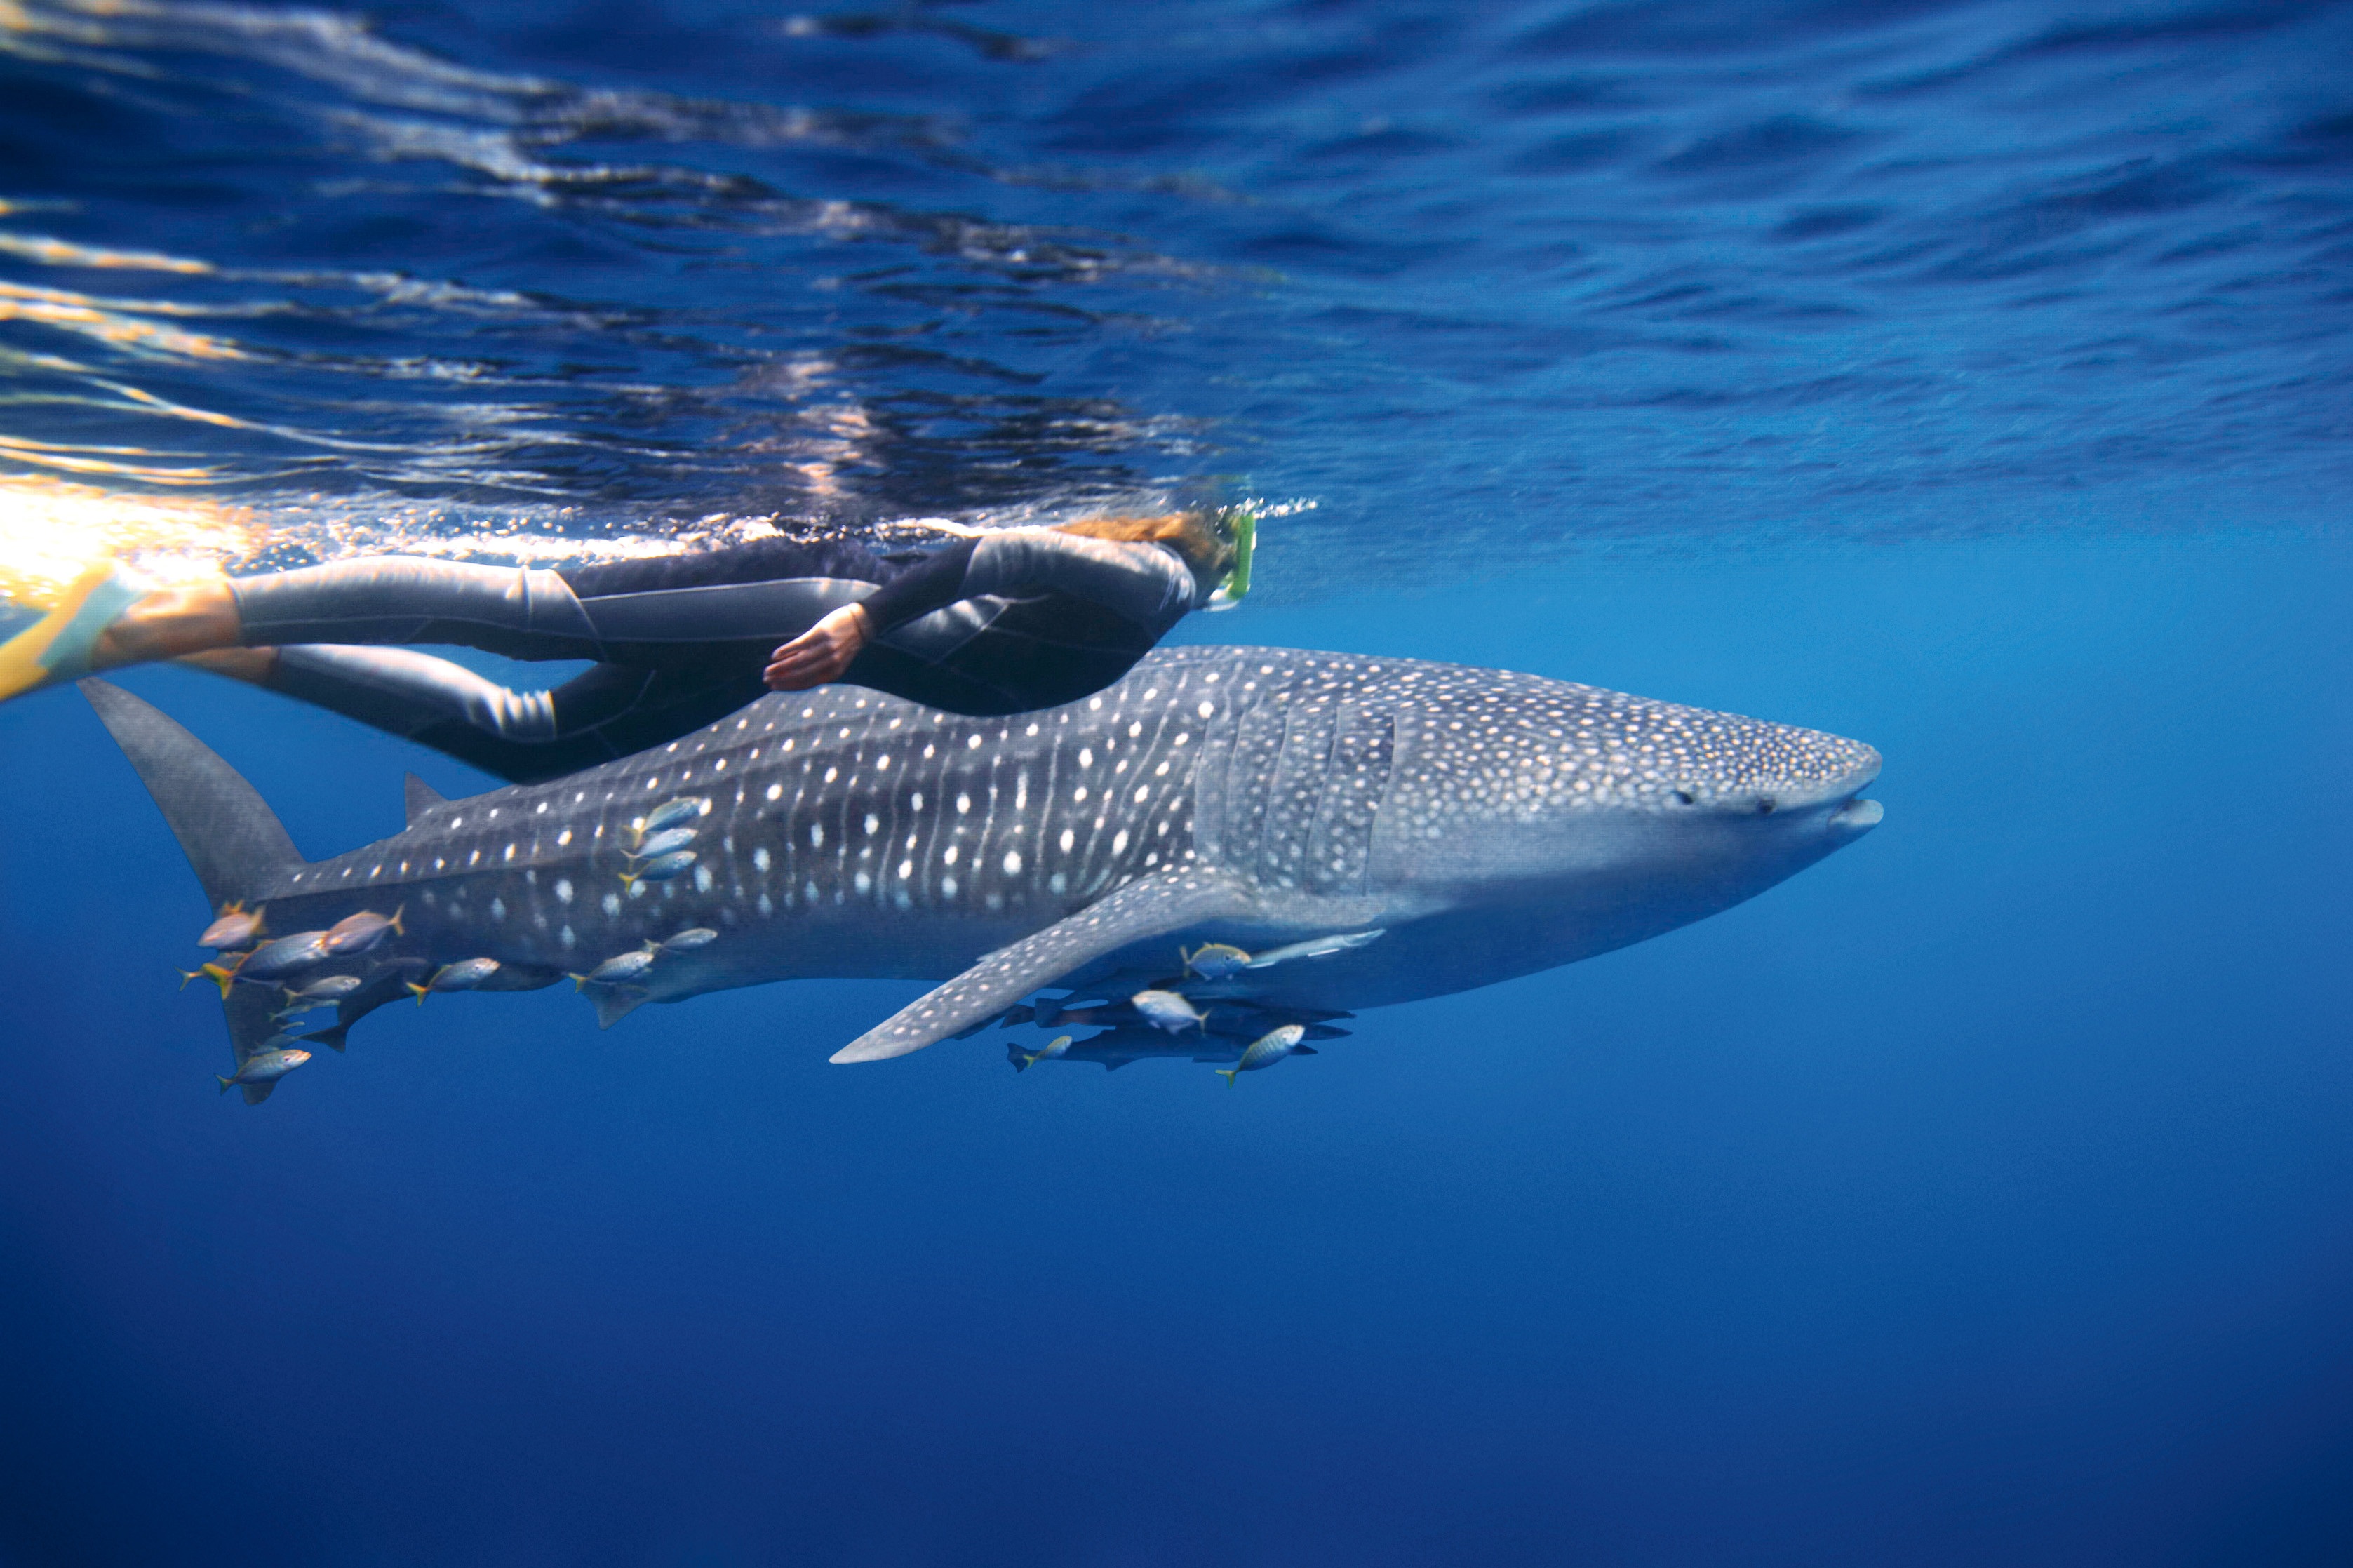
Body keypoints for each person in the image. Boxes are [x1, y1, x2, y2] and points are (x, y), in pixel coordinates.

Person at [0, 509, 1252, 783]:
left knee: (539, 744)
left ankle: (167, 641)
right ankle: (164, 602)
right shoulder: (1144, 575)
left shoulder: (1165, 592)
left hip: (821, 641)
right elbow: (993, 556)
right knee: (529, 613)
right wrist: (864, 619)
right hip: (812, 609)